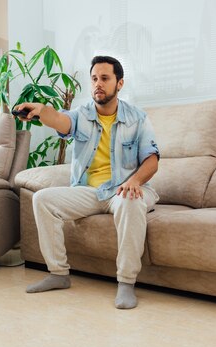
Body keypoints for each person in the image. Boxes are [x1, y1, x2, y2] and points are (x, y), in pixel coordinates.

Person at [14, 56, 160, 309]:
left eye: (105, 78)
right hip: (90, 192)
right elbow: (61, 120)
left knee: (130, 201)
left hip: (124, 190)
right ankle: (58, 274)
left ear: (119, 83)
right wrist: (41, 110)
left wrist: (135, 181)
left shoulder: (137, 118)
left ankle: (126, 283)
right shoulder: (82, 115)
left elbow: (152, 160)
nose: (98, 84)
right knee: (42, 199)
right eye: (94, 79)